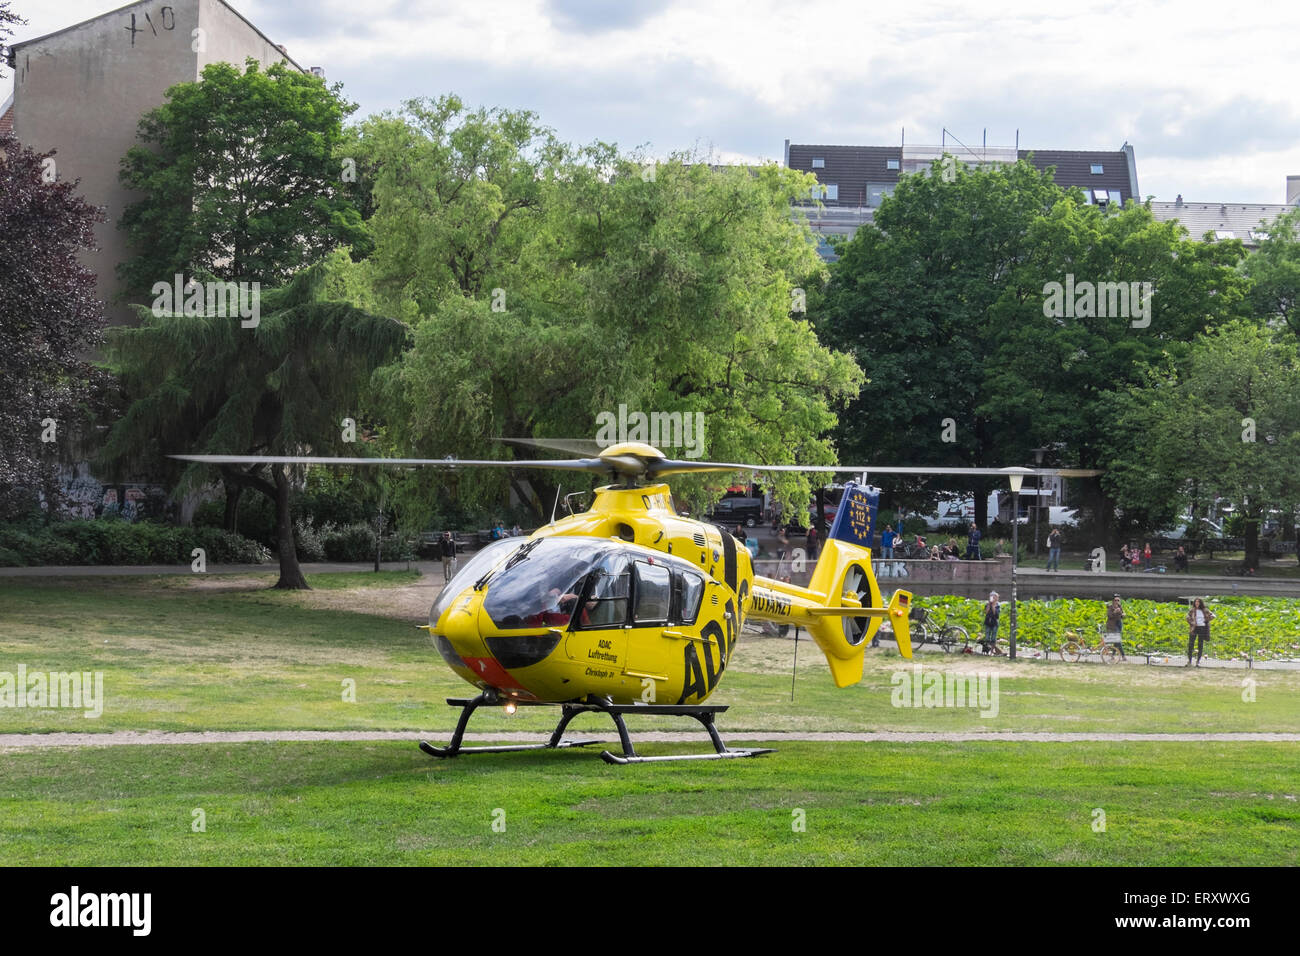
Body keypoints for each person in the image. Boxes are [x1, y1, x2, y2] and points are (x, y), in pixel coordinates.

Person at [1186, 597, 1214, 667]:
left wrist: (1206, 620)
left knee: (1200, 644)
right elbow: (1187, 617)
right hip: (1194, 628)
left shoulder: (1205, 610)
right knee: (1191, 644)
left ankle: (1198, 661)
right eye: (1196, 602)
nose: (1197, 603)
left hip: (1202, 628)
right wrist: (1192, 623)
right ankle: (1189, 660)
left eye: (1198, 602)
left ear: (1201, 603)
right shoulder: (1192, 610)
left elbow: (1213, 616)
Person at [1105, 594, 1127, 661]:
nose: (1117, 602)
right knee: (1118, 640)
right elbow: (1109, 616)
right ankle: (1123, 655)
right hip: (1113, 625)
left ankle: (1112, 655)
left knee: (1116, 641)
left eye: (1118, 600)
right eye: (1115, 600)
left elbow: (1122, 615)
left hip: (1119, 624)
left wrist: (1123, 615)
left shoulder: (1120, 606)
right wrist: (1114, 612)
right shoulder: (1110, 607)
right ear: (1113, 601)